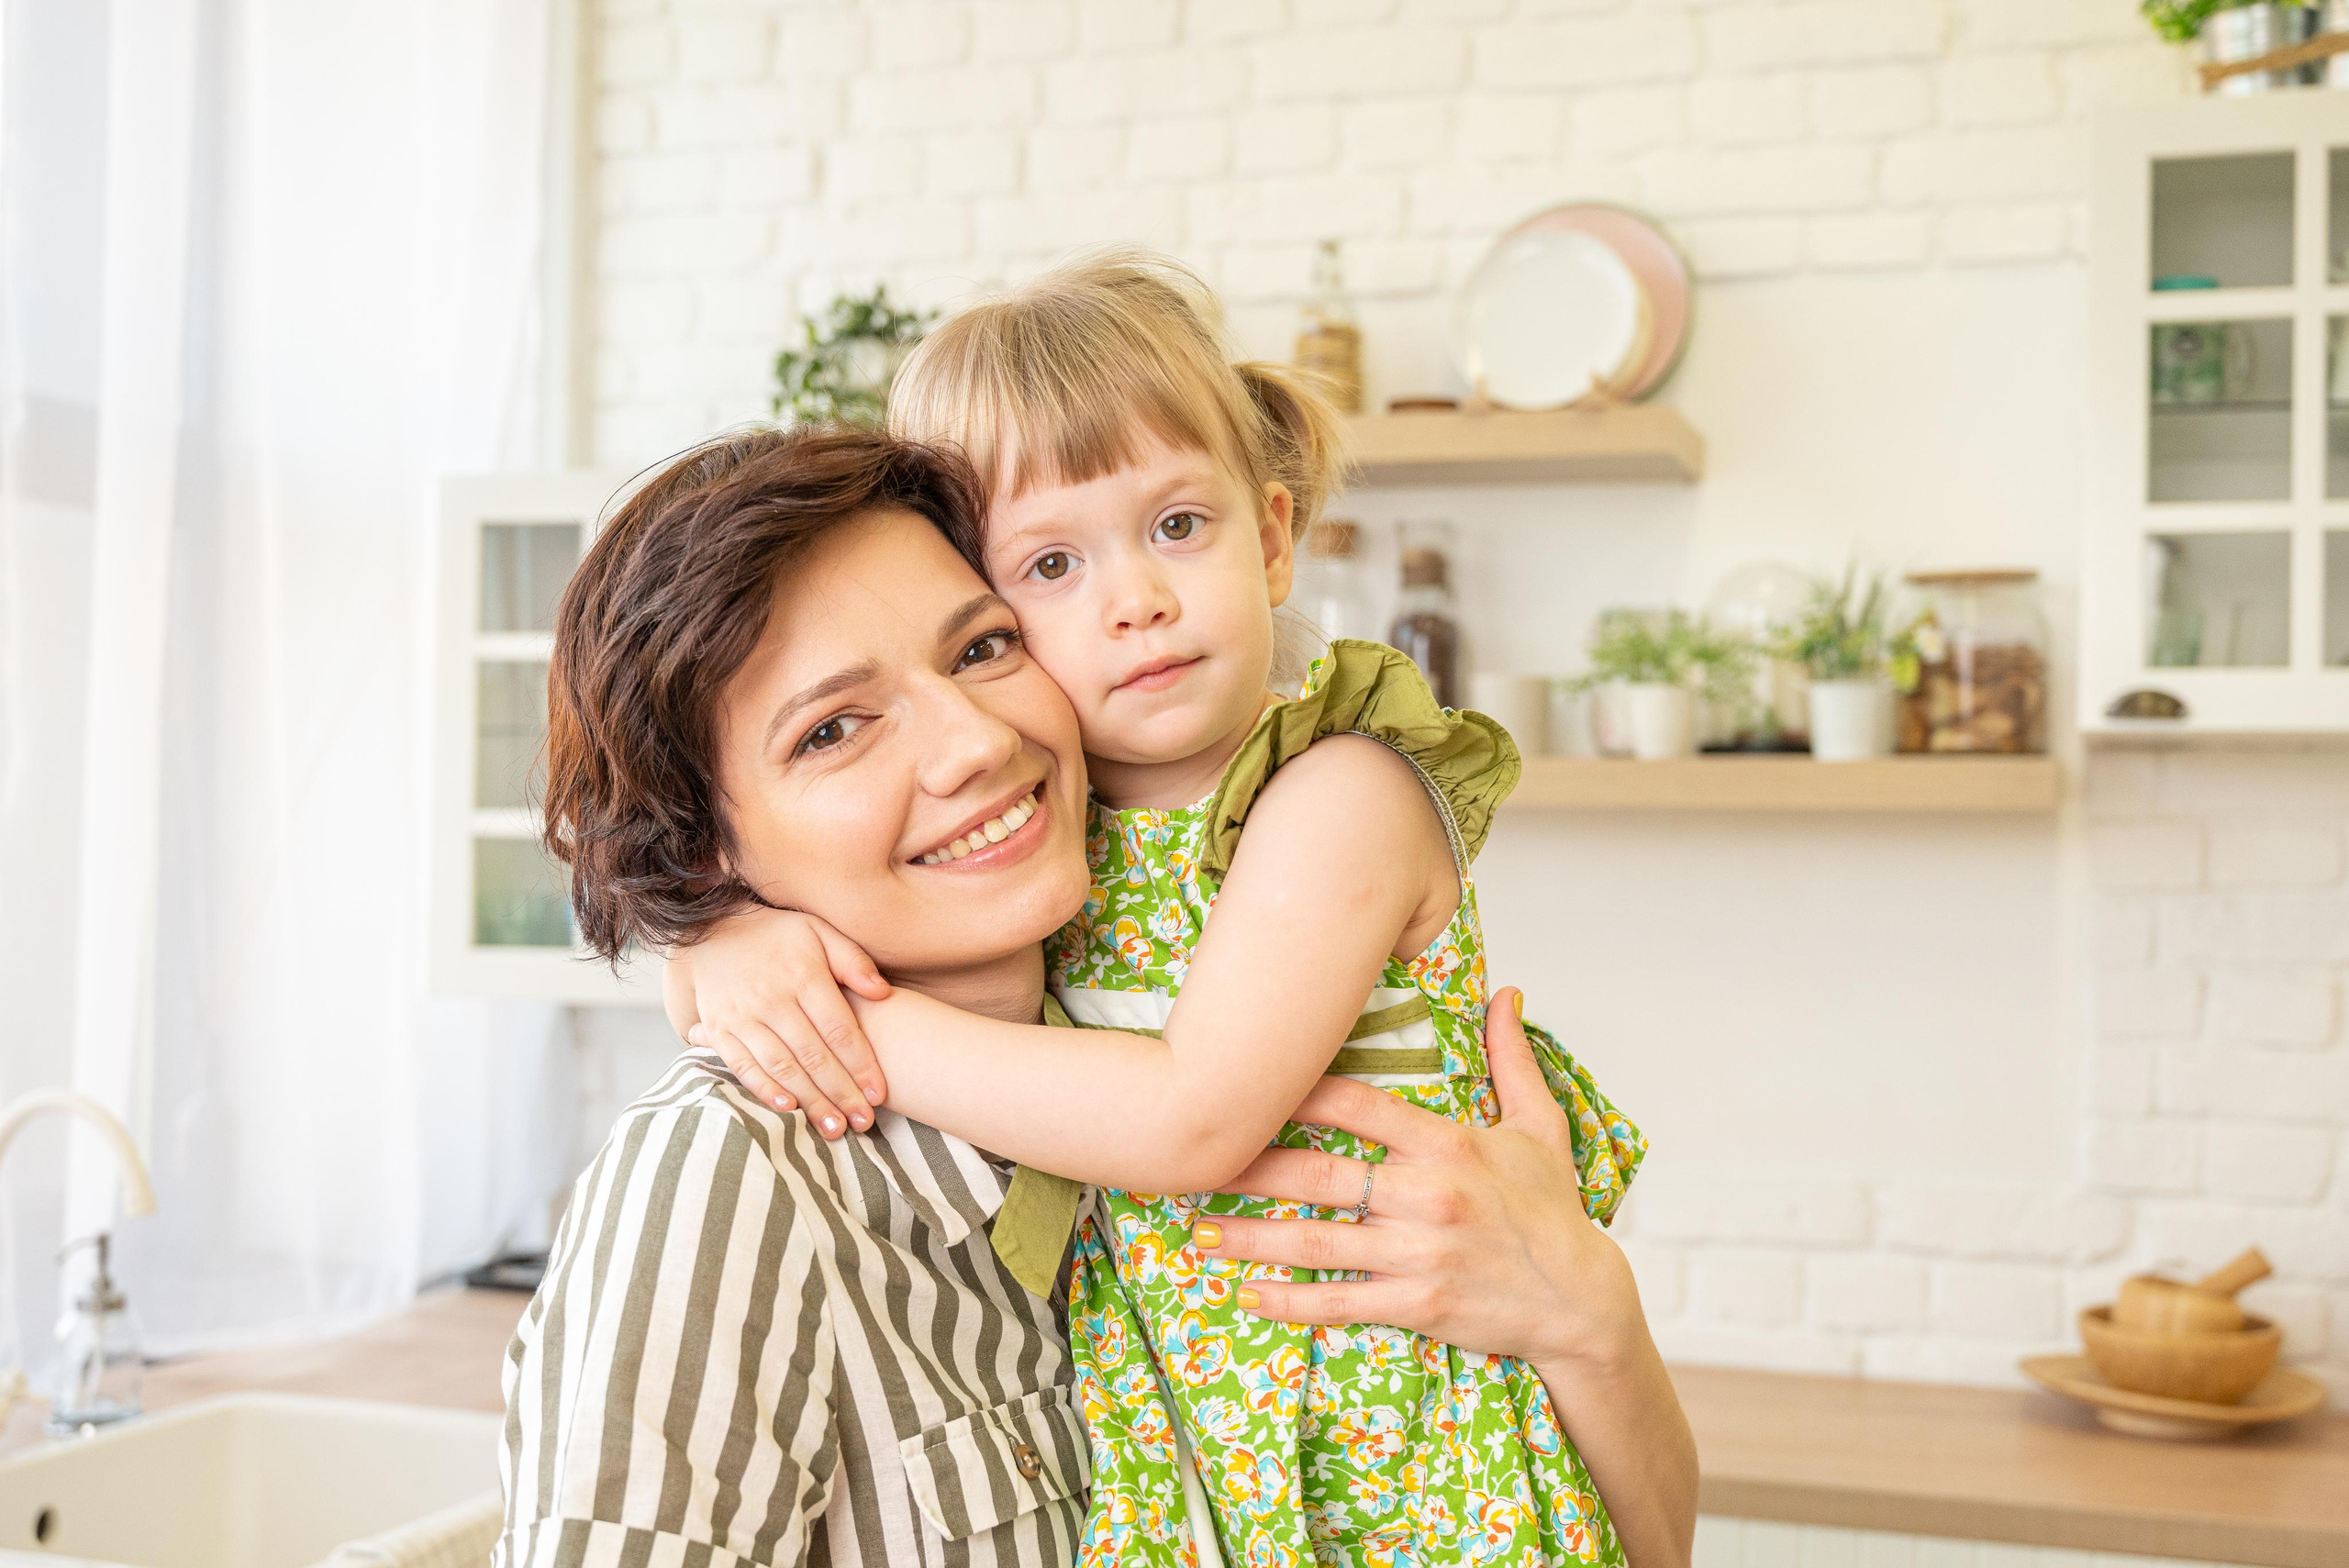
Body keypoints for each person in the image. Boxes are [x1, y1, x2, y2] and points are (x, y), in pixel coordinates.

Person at [495, 424, 1696, 1568]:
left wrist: (1589, 1319)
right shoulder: (729, 1176)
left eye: (980, 647)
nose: (971, 742)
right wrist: (714, 949)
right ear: (707, 850)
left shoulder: (1158, 1056)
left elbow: (1648, 1547)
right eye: (835, 729)